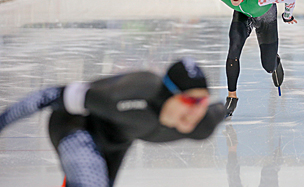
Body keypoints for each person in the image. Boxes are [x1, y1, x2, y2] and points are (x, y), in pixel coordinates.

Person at [0, 58, 225, 187]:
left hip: (117, 140)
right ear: (168, 94)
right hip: (75, 124)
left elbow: (218, 109)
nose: (196, 110)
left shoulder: (202, 124)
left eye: (202, 101)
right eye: (190, 100)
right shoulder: (128, 95)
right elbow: (49, 96)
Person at [159, 0, 297, 117]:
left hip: (266, 17)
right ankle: (232, 96)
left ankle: (274, 62)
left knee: (268, 66)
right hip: (243, 15)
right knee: (233, 50)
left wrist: (287, 15)